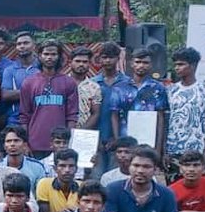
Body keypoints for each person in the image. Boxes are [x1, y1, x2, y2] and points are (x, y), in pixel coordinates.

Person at [18, 40, 78, 157]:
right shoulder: (29, 82)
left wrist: (69, 141)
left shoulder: (69, 82)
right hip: (35, 143)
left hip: (61, 144)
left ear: (59, 56)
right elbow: (24, 116)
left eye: (53, 54)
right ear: (39, 56)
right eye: (46, 54)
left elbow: (72, 115)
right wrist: (25, 143)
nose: (49, 57)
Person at [165, 46, 205, 177]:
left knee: (195, 192)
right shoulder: (170, 91)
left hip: (196, 151)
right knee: (174, 192)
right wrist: (163, 152)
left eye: (181, 64)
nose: (177, 68)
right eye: (175, 64)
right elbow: (165, 123)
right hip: (173, 151)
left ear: (193, 65)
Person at [110, 47, 169, 160]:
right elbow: (114, 116)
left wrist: (158, 148)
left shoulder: (158, 88)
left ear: (151, 65)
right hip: (125, 140)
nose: (141, 65)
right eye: (138, 62)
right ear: (131, 64)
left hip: (148, 142)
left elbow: (160, 118)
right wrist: (118, 142)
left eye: (145, 62)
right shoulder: (119, 88)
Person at [92, 41, 130, 174]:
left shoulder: (127, 83)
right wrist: (94, 138)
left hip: (120, 140)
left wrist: (117, 138)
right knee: (96, 178)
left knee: (116, 177)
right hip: (96, 139)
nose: (107, 61)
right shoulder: (93, 84)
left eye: (111, 57)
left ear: (118, 58)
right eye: (104, 57)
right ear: (99, 59)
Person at [35, 147, 80, 212]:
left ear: (76, 168)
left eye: (71, 166)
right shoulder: (44, 184)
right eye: (62, 166)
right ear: (55, 168)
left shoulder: (82, 186)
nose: (67, 170)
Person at [0, 30, 40, 126]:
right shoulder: (9, 70)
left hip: (39, 117)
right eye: (19, 44)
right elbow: (6, 95)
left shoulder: (42, 68)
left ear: (34, 46)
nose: (22, 46)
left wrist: (17, 93)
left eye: (26, 43)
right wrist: (35, 91)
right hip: (15, 119)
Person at [0, 125, 47, 191]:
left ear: (25, 145)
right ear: (4, 146)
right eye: (8, 141)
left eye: (16, 140)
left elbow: (41, 194)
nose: (12, 144)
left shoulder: (37, 167)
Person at [69, 46, 102, 131]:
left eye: (85, 62)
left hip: (85, 132)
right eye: (77, 61)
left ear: (89, 64)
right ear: (70, 63)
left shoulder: (94, 87)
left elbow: (96, 113)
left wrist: (82, 131)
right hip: (63, 132)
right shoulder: (61, 83)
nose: (81, 64)